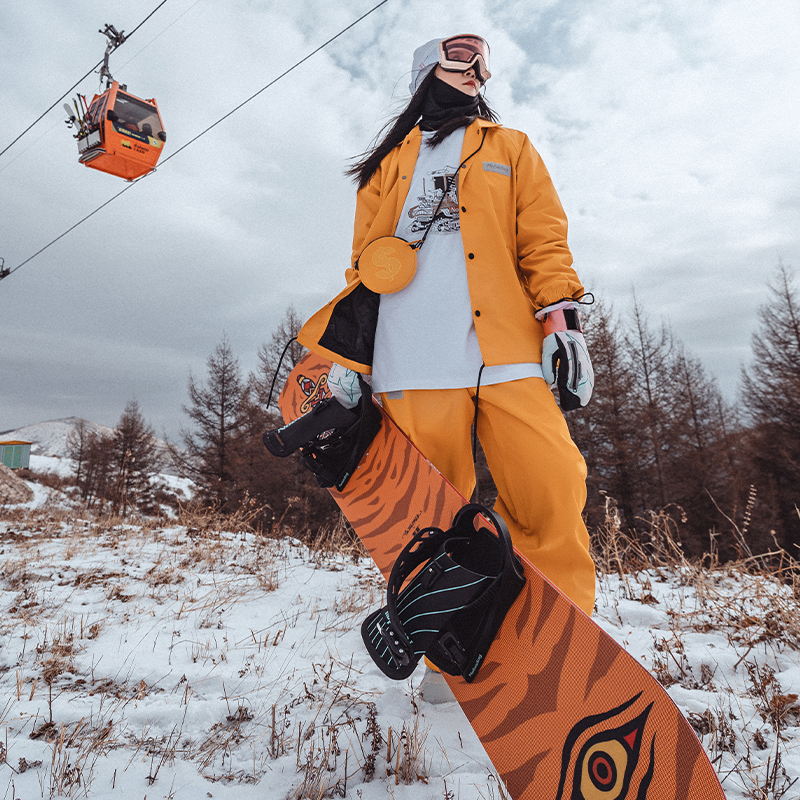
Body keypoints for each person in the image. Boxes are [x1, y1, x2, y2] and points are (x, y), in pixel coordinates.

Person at [297, 35, 595, 621]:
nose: (477, 71)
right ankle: (446, 653)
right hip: (410, 358)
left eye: (484, 64)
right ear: (424, 70)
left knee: (552, 492)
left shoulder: (509, 146)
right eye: (462, 58)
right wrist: (352, 361)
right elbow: (363, 266)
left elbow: (543, 239)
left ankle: (567, 637)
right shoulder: (385, 166)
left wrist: (562, 322)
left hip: (509, 351)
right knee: (428, 520)